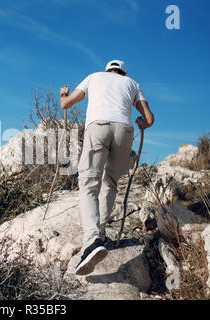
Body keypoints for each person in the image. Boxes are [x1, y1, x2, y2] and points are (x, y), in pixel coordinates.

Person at [59, 60, 154, 275]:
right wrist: (141, 123)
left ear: (107, 70)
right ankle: (100, 234)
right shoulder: (133, 83)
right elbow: (149, 119)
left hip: (98, 127)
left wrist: (63, 94)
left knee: (89, 183)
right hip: (124, 131)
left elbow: (66, 104)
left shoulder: (94, 77)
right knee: (110, 182)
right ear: (122, 73)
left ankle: (91, 241)